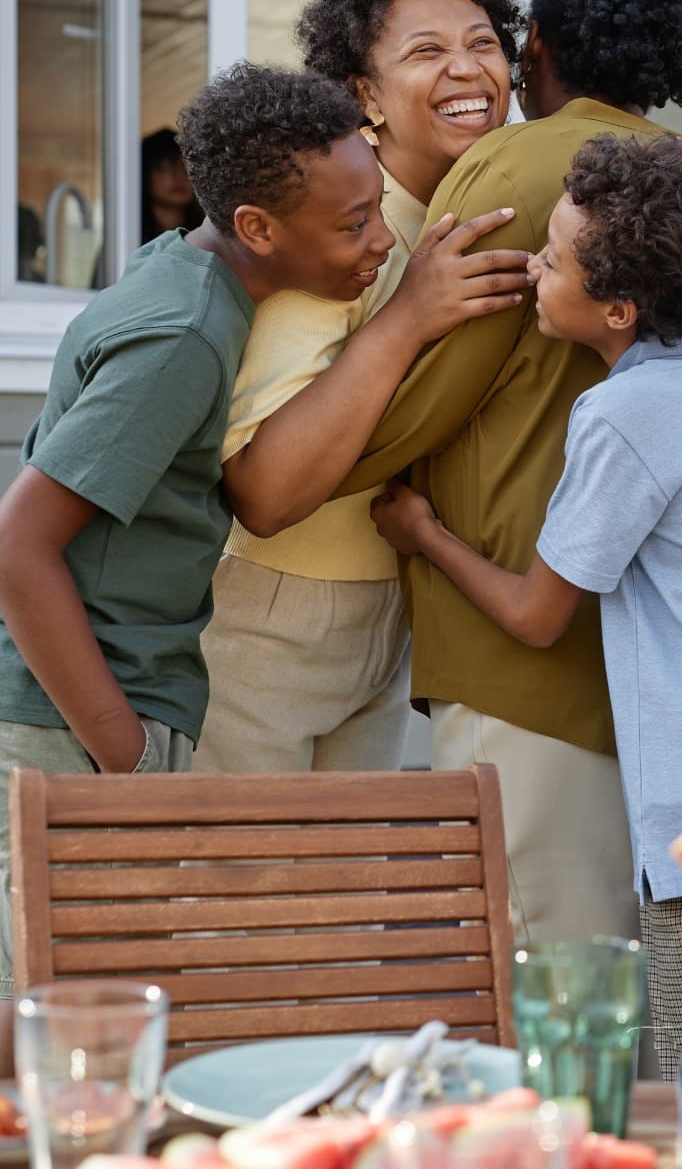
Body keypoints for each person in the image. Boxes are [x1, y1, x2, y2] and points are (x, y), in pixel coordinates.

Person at [0, 61, 526, 1072]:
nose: (380, 244)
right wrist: (127, 762)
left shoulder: (188, 275)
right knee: (80, 1052)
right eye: (352, 228)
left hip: (108, 706)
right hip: (75, 722)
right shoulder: (186, 339)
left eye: (378, 212)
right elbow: (21, 545)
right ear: (256, 228)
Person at [371, 133, 682, 1079]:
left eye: (553, 260)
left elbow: (538, 613)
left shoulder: (623, 417)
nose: (536, 269)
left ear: (617, 309)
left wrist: (425, 535)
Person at [332, 0, 682, 946]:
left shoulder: (517, 166)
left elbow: (418, 402)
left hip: (518, 664)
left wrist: (308, 455)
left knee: (542, 1002)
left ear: (535, 47)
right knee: (653, 1014)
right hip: (669, 687)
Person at [196, 0, 526, 776]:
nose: (466, 69)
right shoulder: (335, 218)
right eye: (425, 51)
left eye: (483, 42)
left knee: (351, 899)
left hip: (390, 611)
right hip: (270, 614)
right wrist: (408, 313)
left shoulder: (471, 208)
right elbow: (262, 493)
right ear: (363, 92)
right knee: (249, 902)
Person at [141, 127, 203, 243]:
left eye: (186, 168)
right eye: (163, 168)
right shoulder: (127, 234)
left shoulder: (208, 235)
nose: (179, 176)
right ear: (145, 175)